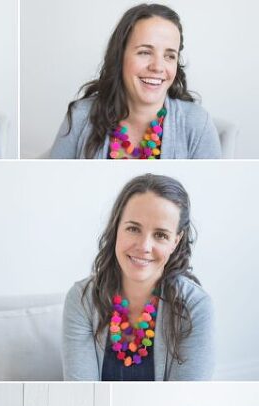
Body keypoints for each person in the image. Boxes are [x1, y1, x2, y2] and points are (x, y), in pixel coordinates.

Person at [63, 173, 214, 381]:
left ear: (176, 242)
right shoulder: (82, 299)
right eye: (133, 229)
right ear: (116, 228)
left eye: (160, 235)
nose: (144, 246)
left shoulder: (196, 307)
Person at [50, 4, 221, 159]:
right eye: (145, 52)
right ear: (120, 56)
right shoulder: (81, 115)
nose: (158, 67)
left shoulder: (197, 123)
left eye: (169, 56)